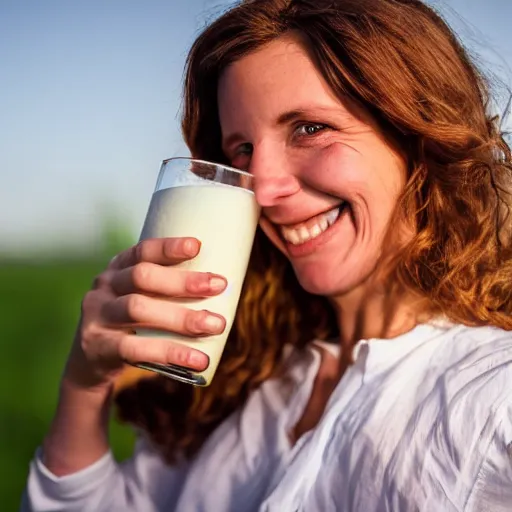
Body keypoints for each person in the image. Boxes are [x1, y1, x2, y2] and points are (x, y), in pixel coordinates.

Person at [21, 0, 512, 510]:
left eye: (309, 128)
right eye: (243, 151)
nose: (265, 189)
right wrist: (83, 385)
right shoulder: (239, 380)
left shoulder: (494, 407)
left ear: (418, 133)